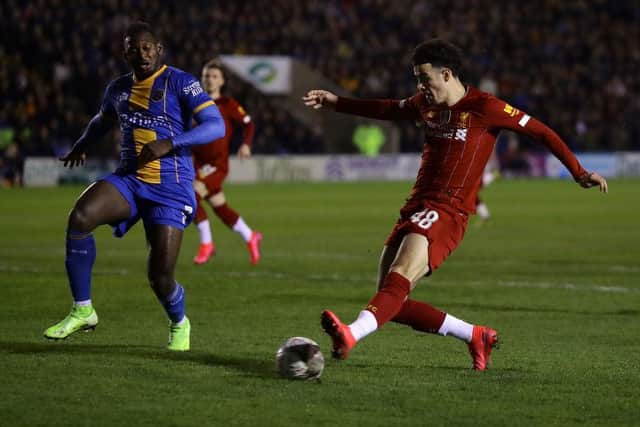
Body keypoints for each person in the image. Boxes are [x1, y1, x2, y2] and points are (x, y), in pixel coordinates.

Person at [303, 39, 608, 370]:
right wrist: (336, 103)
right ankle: (475, 335)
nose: (420, 87)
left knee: (399, 276)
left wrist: (578, 173)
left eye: (424, 78)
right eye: (417, 80)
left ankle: (350, 334)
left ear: (446, 74)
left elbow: (543, 132)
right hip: (416, 205)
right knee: (390, 301)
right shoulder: (425, 104)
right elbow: (389, 109)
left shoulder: (486, 107)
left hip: (448, 210)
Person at [43, 22, 225, 351]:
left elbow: (216, 126)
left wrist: (169, 143)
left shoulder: (181, 82)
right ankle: (83, 309)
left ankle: (179, 322)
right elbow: (103, 120)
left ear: (159, 50)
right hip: (129, 180)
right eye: (134, 48)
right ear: (124, 52)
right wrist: (82, 144)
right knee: (81, 216)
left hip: (171, 187)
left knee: (160, 278)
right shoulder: (118, 88)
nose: (141, 54)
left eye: (147, 47)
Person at [191, 60, 262, 265]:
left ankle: (207, 244)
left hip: (216, 164)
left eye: (214, 76)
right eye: (206, 76)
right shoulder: (194, 104)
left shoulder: (228, 104)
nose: (209, 80)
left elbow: (248, 125)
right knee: (220, 207)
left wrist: (246, 144)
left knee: (191, 196)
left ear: (222, 81)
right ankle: (250, 236)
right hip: (196, 162)